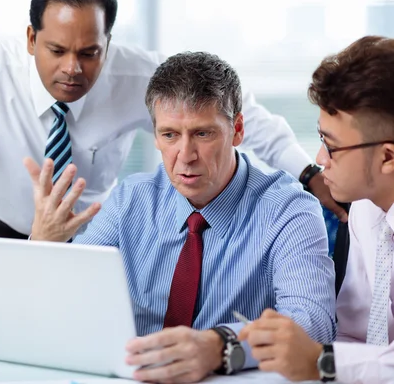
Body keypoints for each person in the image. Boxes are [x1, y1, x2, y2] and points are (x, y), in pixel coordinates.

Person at [0, 0, 342, 336]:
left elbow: (240, 114)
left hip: (92, 226)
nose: (73, 68)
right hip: (7, 228)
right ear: (30, 40)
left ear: (108, 44)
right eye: (57, 50)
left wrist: (309, 174)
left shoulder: (139, 78)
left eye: (89, 52)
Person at [25, 51, 336, 383]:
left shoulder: (288, 209)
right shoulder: (130, 200)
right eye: (170, 135)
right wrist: (43, 248)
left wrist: (220, 347)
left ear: (238, 130)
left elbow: (311, 324)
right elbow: (69, 300)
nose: (185, 157)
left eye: (203, 134)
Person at [239, 36, 394, 383]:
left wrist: (322, 361)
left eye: (333, 147)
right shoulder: (365, 211)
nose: (320, 161)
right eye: (321, 140)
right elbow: (355, 335)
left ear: (387, 156)